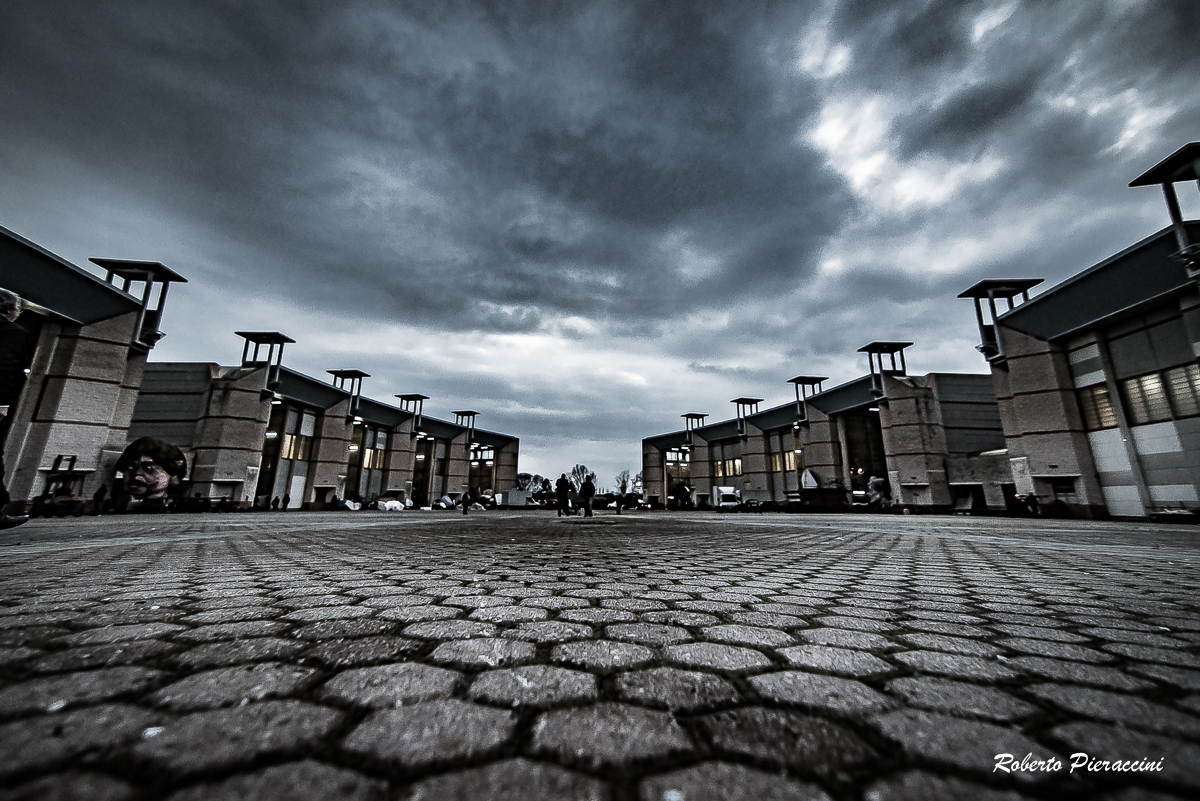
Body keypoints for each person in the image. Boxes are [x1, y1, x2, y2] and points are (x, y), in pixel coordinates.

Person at [0, 288, 29, 530]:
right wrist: (2, 403)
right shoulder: (10, 332)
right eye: (18, 308)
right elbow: (7, 367)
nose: (18, 312)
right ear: (9, 309)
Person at [113, 437, 188, 510]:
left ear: (172, 474)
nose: (136, 473)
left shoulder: (178, 508)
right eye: (130, 468)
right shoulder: (114, 505)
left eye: (148, 468)